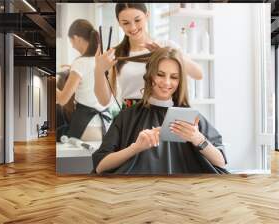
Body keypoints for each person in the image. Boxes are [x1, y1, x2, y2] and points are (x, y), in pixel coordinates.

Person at [92, 47, 227, 175]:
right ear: (150, 75)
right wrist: (135, 148)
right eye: (160, 74)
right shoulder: (128, 116)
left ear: (180, 81)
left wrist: (197, 138)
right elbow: (100, 166)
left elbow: (221, 163)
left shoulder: (191, 118)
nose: (167, 83)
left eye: (174, 77)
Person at [95, 3, 204, 109]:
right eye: (126, 23)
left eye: (137, 20)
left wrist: (164, 52)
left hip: (163, 113)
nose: (133, 27)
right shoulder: (115, 55)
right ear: (119, 23)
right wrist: (99, 70)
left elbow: (198, 74)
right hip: (131, 119)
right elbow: (104, 101)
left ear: (147, 16)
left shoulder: (166, 45)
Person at [56, 19, 111, 141]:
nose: (72, 45)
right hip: (105, 126)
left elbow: (62, 100)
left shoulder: (80, 63)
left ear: (77, 38)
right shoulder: (103, 60)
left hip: (86, 127)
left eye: (71, 41)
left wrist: (52, 85)